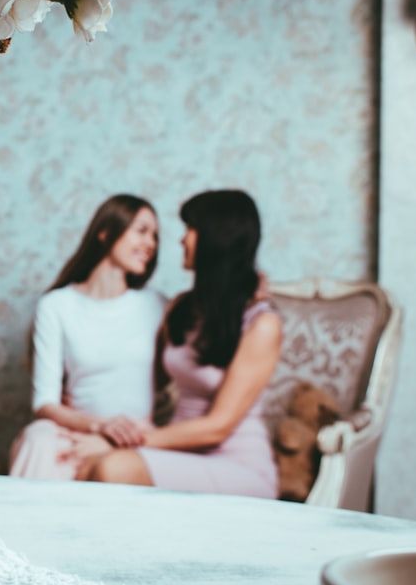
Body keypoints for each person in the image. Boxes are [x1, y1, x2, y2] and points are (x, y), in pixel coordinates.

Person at [73, 189, 282, 499]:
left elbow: (217, 427)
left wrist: (125, 441)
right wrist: (76, 392)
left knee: (113, 468)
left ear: (217, 238)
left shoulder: (261, 324)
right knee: (85, 467)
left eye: (191, 230)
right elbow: (136, 369)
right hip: (178, 453)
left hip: (236, 464)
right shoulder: (182, 308)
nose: (182, 240)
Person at [8, 193, 167, 480]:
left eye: (155, 236)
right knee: (38, 441)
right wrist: (99, 427)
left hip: (137, 434)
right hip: (75, 429)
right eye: (141, 231)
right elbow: (44, 403)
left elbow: (214, 316)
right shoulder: (56, 306)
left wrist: (252, 289)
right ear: (105, 233)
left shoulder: (157, 305)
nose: (151, 244)